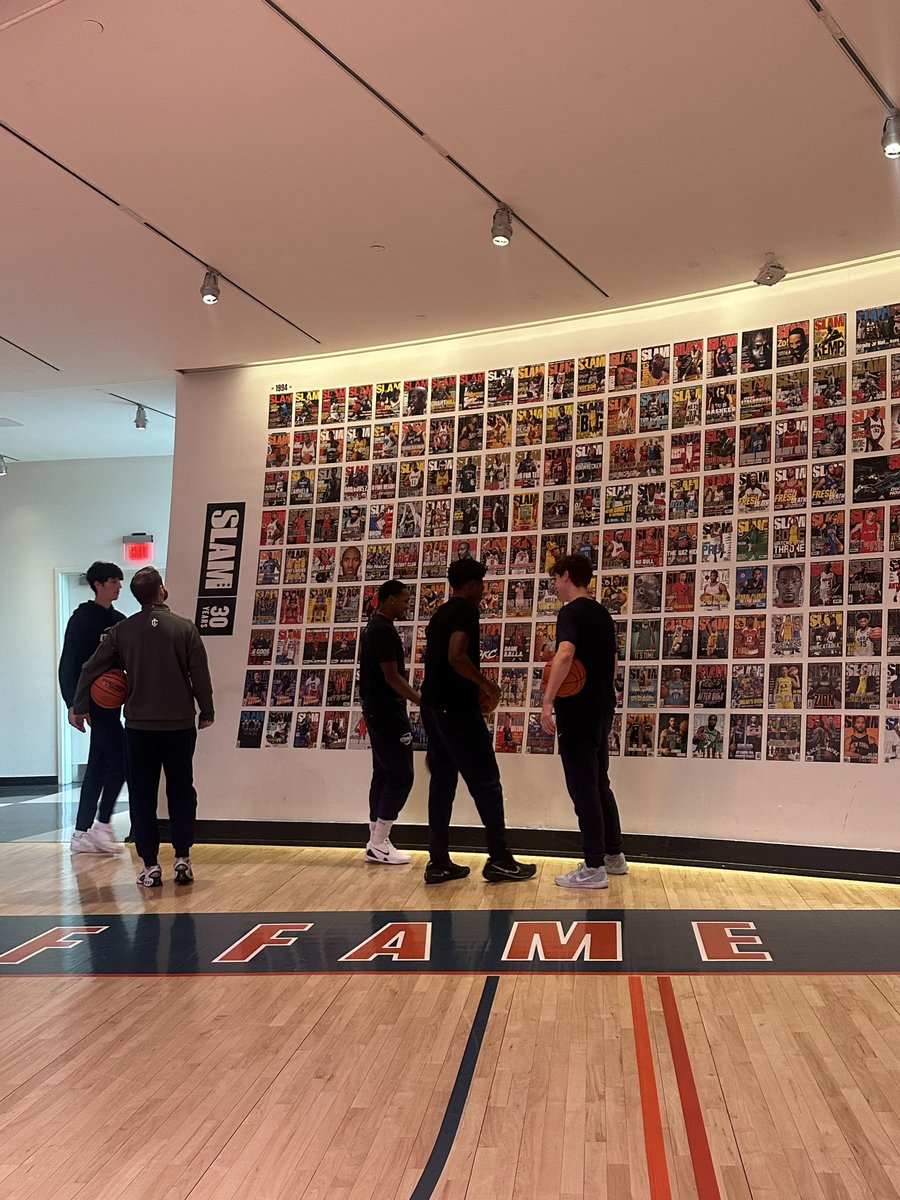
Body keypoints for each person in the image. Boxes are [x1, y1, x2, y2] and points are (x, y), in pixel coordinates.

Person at [70, 567, 214, 888]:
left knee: (143, 795)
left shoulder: (122, 631)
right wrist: (206, 709)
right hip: (178, 725)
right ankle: (182, 858)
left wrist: (80, 706)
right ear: (161, 590)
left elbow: (89, 667)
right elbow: (200, 675)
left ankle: (150, 866)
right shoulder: (184, 628)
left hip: (139, 728)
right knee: (181, 789)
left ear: (137, 596)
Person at [420, 557, 536, 884]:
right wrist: (487, 686)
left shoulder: (439, 613)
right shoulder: (466, 611)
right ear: (471, 584)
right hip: (454, 708)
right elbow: (456, 656)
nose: (483, 591)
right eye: (481, 584)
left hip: (432, 705)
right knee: (486, 781)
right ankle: (499, 858)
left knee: (442, 784)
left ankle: (438, 861)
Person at [540, 554, 626, 889]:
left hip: (578, 711)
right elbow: (613, 663)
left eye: (556, 580)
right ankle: (613, 856)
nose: (555, 587)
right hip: (603, 708)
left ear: (565, 576)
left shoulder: (571, 612)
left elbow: (564, 654)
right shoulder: (602, 613)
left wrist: (548, 701)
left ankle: (592, 867)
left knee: (583, 786)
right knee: (599, 782)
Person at [58, 561, 128, 854]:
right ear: (98, 584)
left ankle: (81, 833)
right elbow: (69, 663)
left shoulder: (122, 620)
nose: (118, 586)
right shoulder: (82, 620)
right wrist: (73, 703)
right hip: (92, 702)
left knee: (98, 766)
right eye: (113, 581)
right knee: (123, 758)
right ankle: (102, 825)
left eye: (120, 581)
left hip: (113, 704)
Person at [358, 580, 421, 866]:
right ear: (389, 599)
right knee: (401, 774)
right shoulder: (382, 629)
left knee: (383, 773)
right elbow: (392, 677)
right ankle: (379, 841)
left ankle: (376, 840)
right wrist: (420, 699)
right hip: (386, 709)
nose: (407, 605)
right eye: (404, 600)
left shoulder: (376, 627)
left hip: (378, 708)